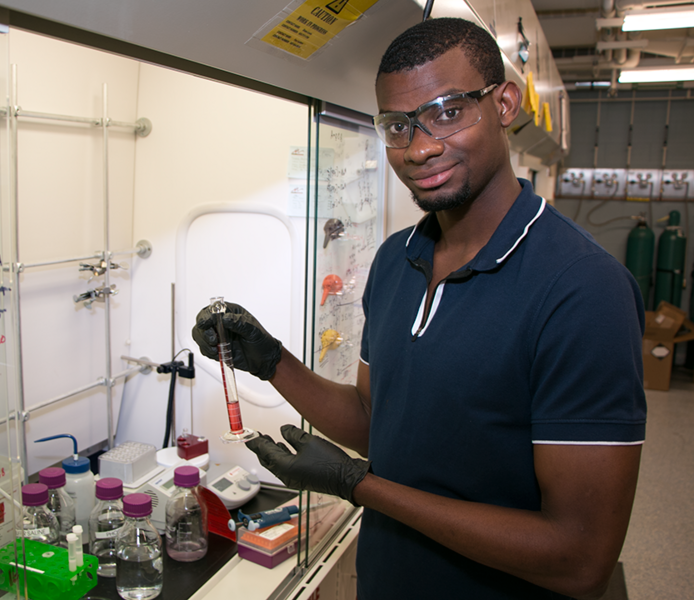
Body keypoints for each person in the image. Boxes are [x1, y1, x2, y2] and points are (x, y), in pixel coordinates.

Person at [193, 17, 646, 600]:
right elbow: (375, 422)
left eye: (449, 111)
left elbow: (579, 558)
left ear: (505, 103)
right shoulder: (395, 261)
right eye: (397, 125)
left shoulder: (583, 290)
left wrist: (357, 486)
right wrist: (274, 362)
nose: (421, 147)